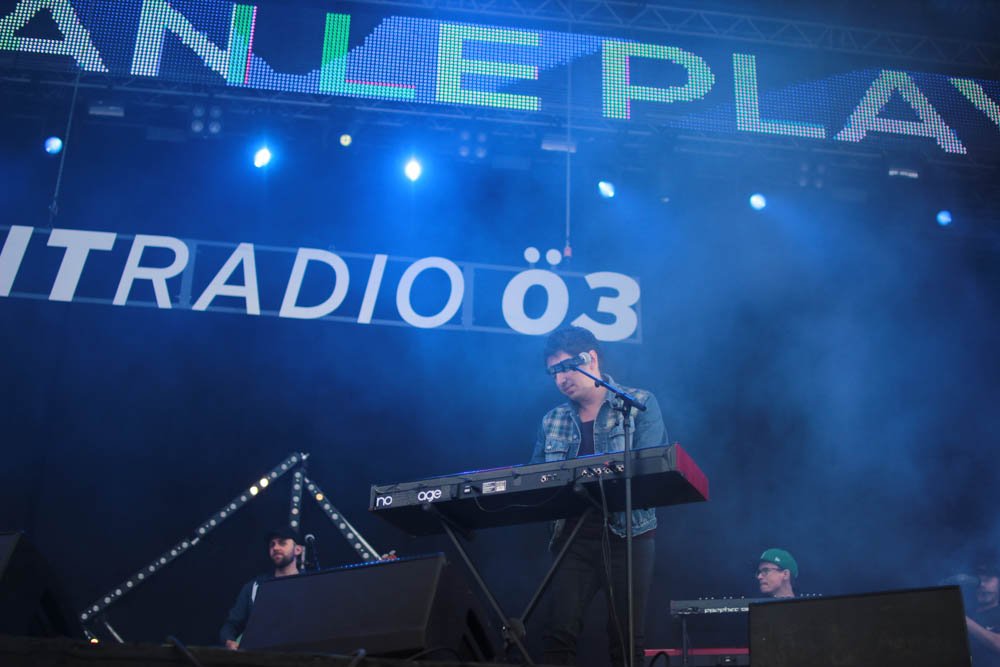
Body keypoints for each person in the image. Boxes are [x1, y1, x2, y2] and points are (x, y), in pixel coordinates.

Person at [529, 325, 668, 666]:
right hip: (573, 540)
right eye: (553, 372)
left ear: (590, 358)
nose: (561, 378)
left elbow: (651, 469)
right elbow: (535, 480)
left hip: (629, 538)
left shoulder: (638, 404)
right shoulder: (552, 420)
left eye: (566, 367)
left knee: (626, 638)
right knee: (558, 634)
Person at [219, 526, 304, 650]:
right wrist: (229, 642)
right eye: (272, 544)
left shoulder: (310, 585)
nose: (275, 548)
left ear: (298, 549)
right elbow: (230, 625)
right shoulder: (254, 586)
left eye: (282, 543)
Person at [967, 558, 1000, 667]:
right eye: (978, 580)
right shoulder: (968, 613)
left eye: (988, 579)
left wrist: (964, 620)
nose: (982, 585)